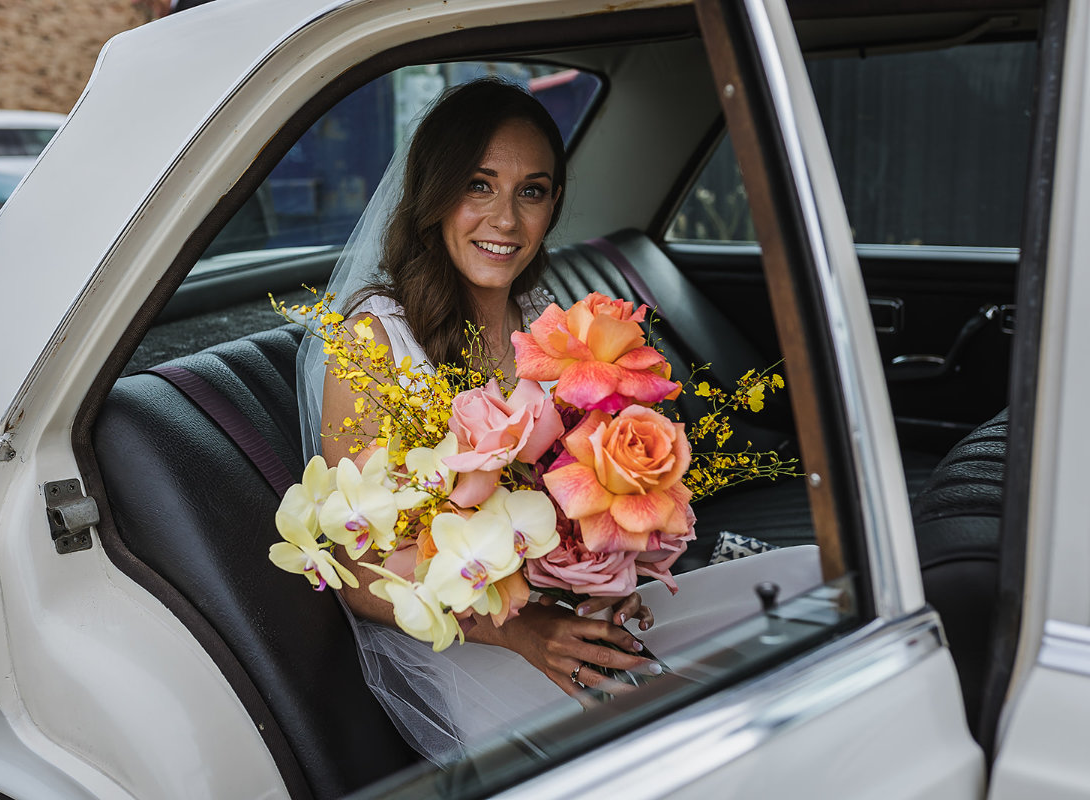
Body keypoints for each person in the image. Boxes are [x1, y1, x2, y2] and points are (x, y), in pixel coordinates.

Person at [296, 77, 824, 764]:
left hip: (570, 616)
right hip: (472, 642)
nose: (506, 220)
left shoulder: (544, 315)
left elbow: (576, 494)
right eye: (479, 185)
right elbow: (358, 571)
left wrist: (609, 580)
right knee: (697, 742)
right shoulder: (374, 339)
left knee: (816, 588)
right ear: (433, 194)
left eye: (532, 191)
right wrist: (524, 631)